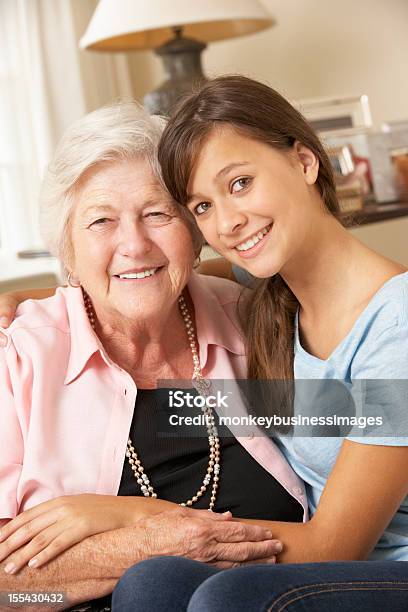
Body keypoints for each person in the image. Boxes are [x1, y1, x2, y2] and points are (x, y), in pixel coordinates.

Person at [113, 74, 408, 611]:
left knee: (228, 600)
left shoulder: (397, 330)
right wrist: (48, 297)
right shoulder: (273, 289)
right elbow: (169, 276)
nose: (227, 222)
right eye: (201, 207)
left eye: (240, 183)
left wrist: (127, 518)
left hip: (385, 571)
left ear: (303, 162)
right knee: (150, 583)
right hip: (336, 569)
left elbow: (335, 546)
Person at [0, 101, 308, 611]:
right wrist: (142, 545)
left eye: (157, 213)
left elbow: (377, 417)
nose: (135, 245)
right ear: (67, 252)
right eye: (100, 221)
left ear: (193, 231)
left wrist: (128, 515)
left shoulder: (258, 321)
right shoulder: (18, 358)